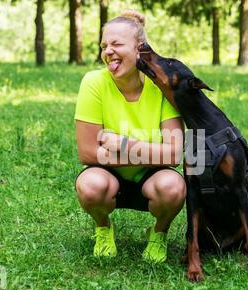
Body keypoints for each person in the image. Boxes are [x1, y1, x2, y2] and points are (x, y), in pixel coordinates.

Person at [74, 10, 186, 263]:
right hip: (107, 175)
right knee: (90, 186)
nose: (107, 52)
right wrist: (151, 153)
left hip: (151, 176)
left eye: (116, 44)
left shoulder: (160, 87)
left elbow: (175, 153)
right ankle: (103, 227)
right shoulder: (93, 82)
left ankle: (159, 232)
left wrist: (125, 145)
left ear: (139, 49)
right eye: (104, 46)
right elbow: (88, 152)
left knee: (174, 187)